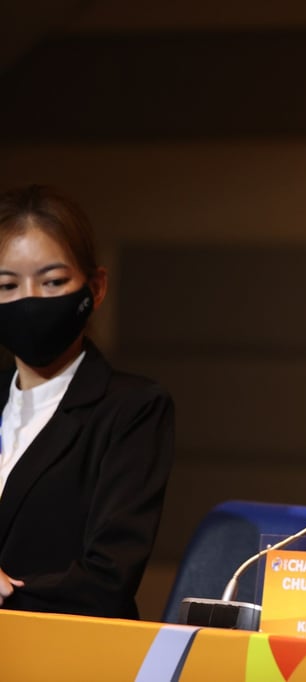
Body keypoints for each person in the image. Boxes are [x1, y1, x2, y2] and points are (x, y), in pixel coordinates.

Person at [0, 184, 174, 618]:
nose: (30, 301)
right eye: (7, 285)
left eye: (54, 281)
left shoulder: (133, 408)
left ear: (95, 289)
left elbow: (108, 578)